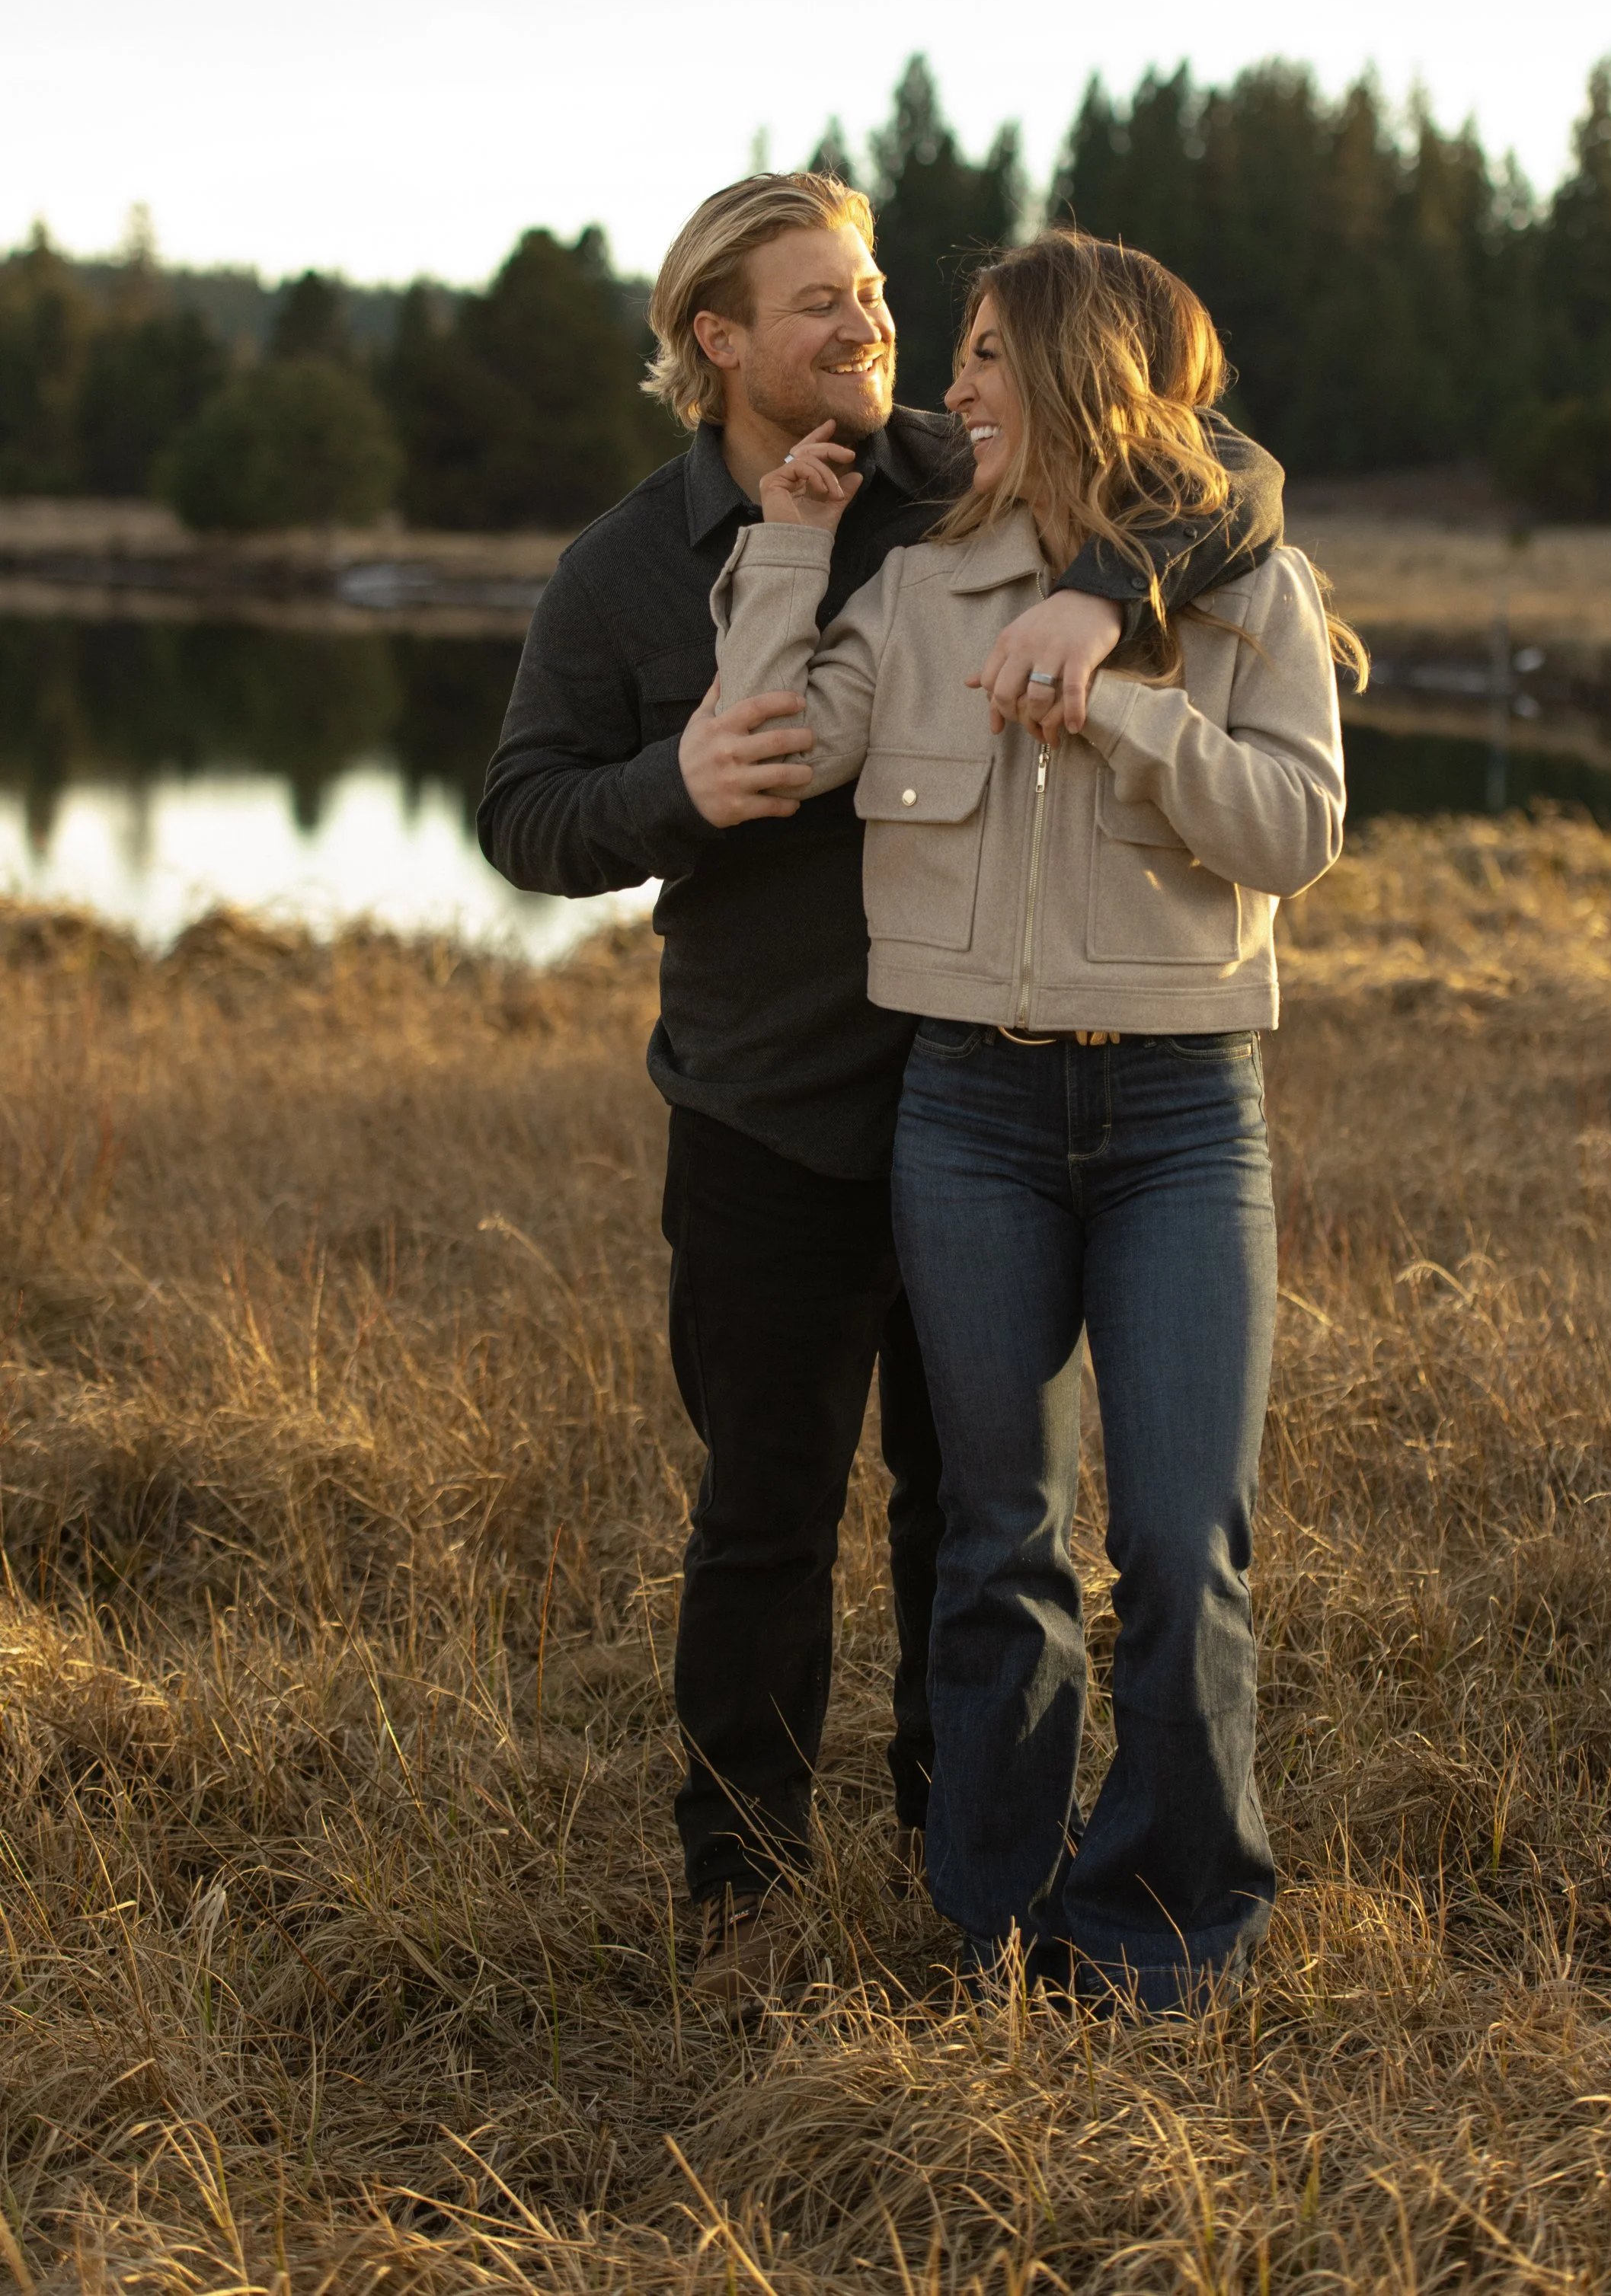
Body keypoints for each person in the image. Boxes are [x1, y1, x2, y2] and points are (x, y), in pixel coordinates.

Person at [477, 173, 1289, 2001]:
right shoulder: (624, 567)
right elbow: (524, 817)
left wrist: (1097, 598)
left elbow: (1227, 477)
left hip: (974, 1102)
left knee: (978, 1518)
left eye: (874, 297)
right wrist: (675, 784)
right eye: (822, 305)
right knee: (764, 1515)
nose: (868, 329)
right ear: (717, 340)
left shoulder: (955, 469)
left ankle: (964, 1872)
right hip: (766, 1116)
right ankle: (743, 1891)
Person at [711, 228, 1359, 2011]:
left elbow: (1295, 835)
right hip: (969, 1114)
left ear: (1072, 374)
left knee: (1178, 1537)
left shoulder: (1247, 594)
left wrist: (1134, 716)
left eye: (988, 354)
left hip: (1177, 1114)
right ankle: (987, 1918)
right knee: (996, 1535)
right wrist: (782, 548)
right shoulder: (918, 578)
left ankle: (1163, 1929)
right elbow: (777, 743)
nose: (955, 386)